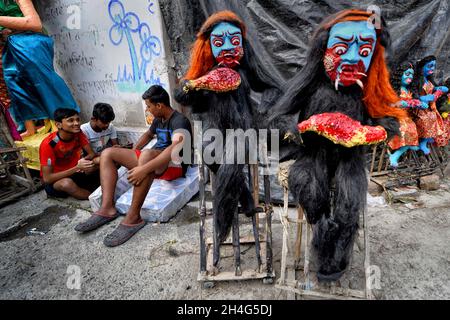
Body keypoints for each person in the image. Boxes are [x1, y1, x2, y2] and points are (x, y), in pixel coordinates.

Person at [75, 85, 192, 247]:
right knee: (109, 153)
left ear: (159, 105)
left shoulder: (180, 120)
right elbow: (148, 135)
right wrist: (133, 153)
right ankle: (107, 208)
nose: (147, 109)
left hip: (175, 166)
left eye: (149, 106)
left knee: (148, 154)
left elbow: (175, 147)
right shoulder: (159, 118)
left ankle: (133, 217)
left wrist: (143, 168)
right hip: (155, 162)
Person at [0, 0, 79, 138]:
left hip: (30, 42)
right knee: (15, 84)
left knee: (43, 83)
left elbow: (35, 24)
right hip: (10, 44)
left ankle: (64, 123)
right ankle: (31, 129)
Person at [39, 108, 100, 200]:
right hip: (56, 180)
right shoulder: (49, 144)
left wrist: (84, 163)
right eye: (70, 120)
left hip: (76, 172)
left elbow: (91, 154)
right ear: (58, 125)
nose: (76, 123)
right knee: (67, 184)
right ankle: (98, 199)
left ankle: (105, 190)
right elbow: (47, 178)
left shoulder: (78, 133)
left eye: (77, 120)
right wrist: (78, 167)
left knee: (102, 160)